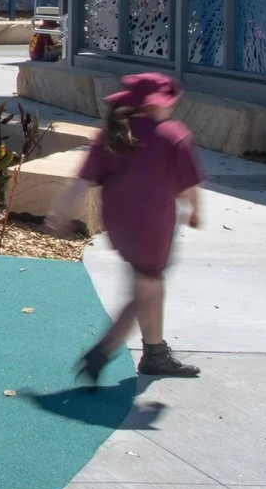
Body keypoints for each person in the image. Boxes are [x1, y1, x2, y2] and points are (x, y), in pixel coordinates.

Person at [52, 71, 205, 382]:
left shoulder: (111, 134)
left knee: (149, 281)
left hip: (119, 226)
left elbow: (81, 181)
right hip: (153, 226)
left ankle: (155, 352)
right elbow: (190, 186)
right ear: (156, 104)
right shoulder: (172, 134)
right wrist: (195, 211)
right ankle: (105, 349)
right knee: (145, 290)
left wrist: (59, 213)